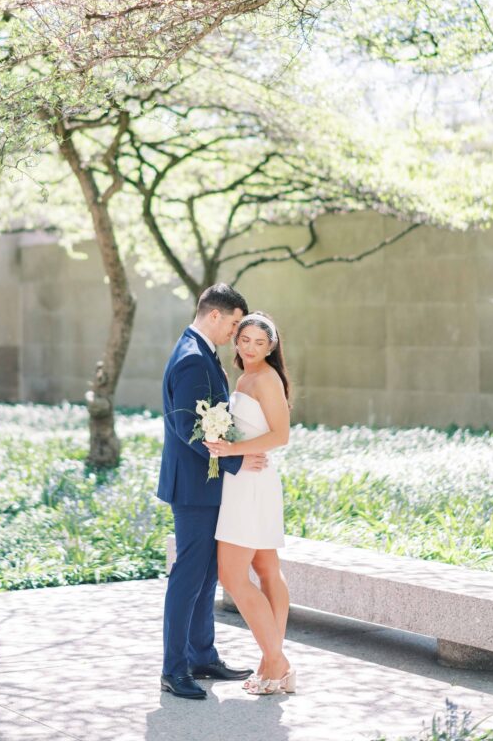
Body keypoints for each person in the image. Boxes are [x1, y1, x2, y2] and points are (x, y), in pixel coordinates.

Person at [158, 283, 268, 700]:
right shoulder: (191, 360)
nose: (236, 334)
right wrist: (238, 459)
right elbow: (191, 428)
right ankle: (173, 668)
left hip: (205, 485)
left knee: (206, 575)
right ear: (215, 315)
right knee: (188, 576)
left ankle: (201, 656)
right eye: (236, 324)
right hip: (193, 488)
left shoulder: (200, 352)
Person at [205, 310, 294, 695]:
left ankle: (276, 662)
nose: (252, 348)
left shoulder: (267, 379)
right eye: (246, 341)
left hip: (253, 485)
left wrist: (231, 450)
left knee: (234, 577)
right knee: (265, 568)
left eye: (261, 342)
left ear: (271, 346)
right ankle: (273, 665)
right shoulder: (244, 377)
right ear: (236, 342)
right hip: (246, 481)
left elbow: (281, 435)